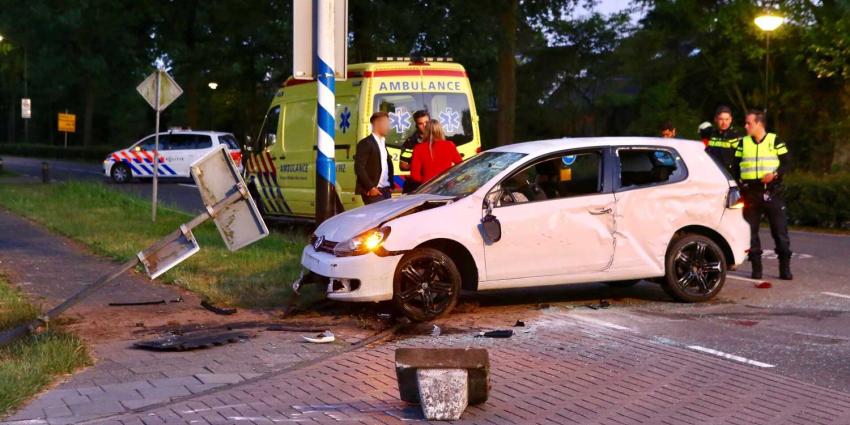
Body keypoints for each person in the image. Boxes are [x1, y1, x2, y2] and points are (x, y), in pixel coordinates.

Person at [733, 109, 792, 280]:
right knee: (750, 233)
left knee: (780, 232)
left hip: (772, 191)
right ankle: (756, 269)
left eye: (748, 123)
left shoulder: (774, 140)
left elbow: (787, 162)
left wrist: (775, 174)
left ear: (759, 124)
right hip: (750, 193)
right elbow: (735, 166)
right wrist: (739, 183)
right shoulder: (743, 143)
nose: (745, 126)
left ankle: (785, 268)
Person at [354, 112, 394, 205]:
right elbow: (359, 167)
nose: (388, 127)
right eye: (386, 123)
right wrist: (370, 188)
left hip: (385, 191)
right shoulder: (366, 143)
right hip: (374, 193)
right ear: (377, 124)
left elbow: (386, 165)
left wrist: (390, 184)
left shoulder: (382, 142)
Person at [409, 119, 462, 186]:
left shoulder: (418, 148)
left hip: (427, 188)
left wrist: (424, 183)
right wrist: (452, 180)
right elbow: (460, 166)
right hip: (447, 186)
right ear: (440, 130)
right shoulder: (449, 145)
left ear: (426, 131)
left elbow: (414, 176)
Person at [399, 110, 430, 193]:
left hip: (436, 184)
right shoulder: (410, 142)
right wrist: (420, 166)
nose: (424, 125)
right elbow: (403, 165)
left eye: (427, 122)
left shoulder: (439, 139)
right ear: (416, 125)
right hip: (417, 186)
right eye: (421, 123)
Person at [705, 105, 742, 173]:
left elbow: (741, 157)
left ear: (731, 119)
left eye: (727, 119)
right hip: (713, 172)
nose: (724, 123)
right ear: (715, 119)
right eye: (721, 119)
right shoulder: (712, 134)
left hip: (729, 174)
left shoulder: (734, 135)